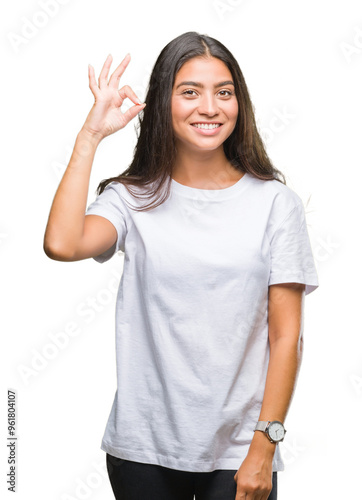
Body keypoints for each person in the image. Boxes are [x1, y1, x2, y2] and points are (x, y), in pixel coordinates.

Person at [43, 31, 319, 500]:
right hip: (142, 451)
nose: (209, 107)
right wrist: (91, 135)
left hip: (239, 453)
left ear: (240, 103)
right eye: (190, 91)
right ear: (162, 102)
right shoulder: (133, 198)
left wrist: (264, 445)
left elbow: (285, 335)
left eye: (224, 92)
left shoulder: (276, 203)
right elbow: (63, 243)